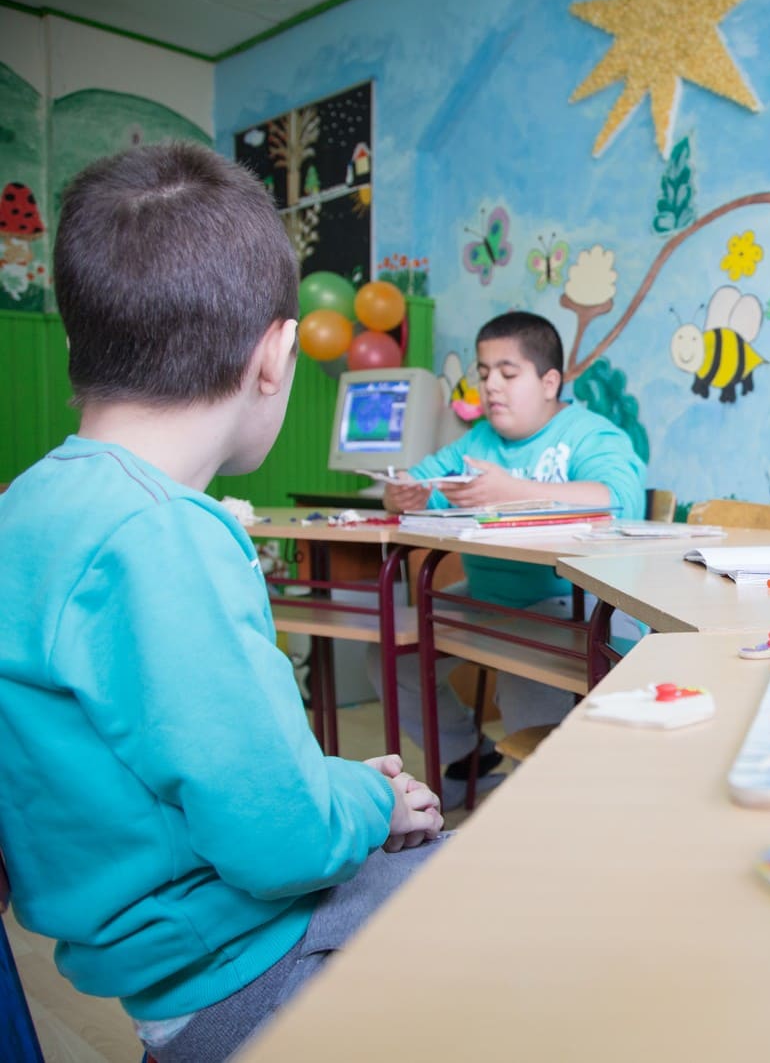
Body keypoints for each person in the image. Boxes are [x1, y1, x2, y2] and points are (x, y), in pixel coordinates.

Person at [0, 142, 444, 1063]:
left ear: (79, 340)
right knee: (503, 879)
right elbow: (281, 844)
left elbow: (168, 767)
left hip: (151, 972)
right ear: (276, 355)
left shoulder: (26, 505)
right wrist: (371, 799)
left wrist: (337, 788)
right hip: (243, 966)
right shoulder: (165, 535)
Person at [374, 311, 647, 793]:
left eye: (507, 372)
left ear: (549, 382)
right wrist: (401, 494)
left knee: (525, 677)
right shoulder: (478, 441)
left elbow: (620, 500)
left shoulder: (589, 433)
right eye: (483, 374)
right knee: (389, 652)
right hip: (487, 602)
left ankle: (542, 806)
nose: (491, 386)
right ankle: (468, 762)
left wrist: (511, 491)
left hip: (582, 605)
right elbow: (417, 483)